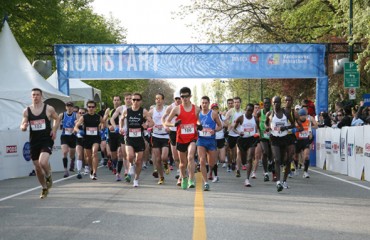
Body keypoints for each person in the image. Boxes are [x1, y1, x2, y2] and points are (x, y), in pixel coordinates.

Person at [20, 88, 60, 199]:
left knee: (43, 162)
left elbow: (57, 118)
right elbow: (22, 124)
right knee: (37, 167)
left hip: (46, 139)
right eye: (33, 95)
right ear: (31, 96)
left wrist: (54, 129)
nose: (35, 97)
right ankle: (44, 188)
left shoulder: (48, 108)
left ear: (41, 96)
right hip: (34, 141)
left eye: (37, 95)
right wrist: (23, 127)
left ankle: (48, 176)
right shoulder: (27, 110)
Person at [165, 87, 201, 190]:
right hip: (181, 138)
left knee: (190, 157)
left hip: (192, 137)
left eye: (186, 96)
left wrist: (199, 125)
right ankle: (183, 177)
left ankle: (191, 179)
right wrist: (173, 124)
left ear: (190, 96)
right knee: (182, 163)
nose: (184, 98)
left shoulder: (196, 108)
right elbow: (167, 122)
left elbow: (198, 120)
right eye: (182, 97)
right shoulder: (176, 109)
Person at [121, 93, 153, 187]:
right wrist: (121, 127)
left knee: (139, 161)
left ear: (141, 101)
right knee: (130, 156)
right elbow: (121, 119)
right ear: (131, 100)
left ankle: (136, 179)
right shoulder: (126, 111)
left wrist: (146, 126)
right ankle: (131, 165)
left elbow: (152, 123)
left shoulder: (144, 111)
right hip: (129, 137)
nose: (135, 101)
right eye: (134, 99)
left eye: (137, 100)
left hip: (139, 138)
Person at [265, 96, 297, 192]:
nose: (276, 104)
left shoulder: (285, 113)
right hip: (274, 138)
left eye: (278, 102)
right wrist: (268, 127)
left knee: (285, 160)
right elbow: (266, 124)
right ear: (272, 103)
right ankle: (278, 182)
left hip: (284, 138)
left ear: (280, 103)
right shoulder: (270, 114)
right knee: (277, 159)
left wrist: (285, 128)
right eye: (274, 102)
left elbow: (293, 124)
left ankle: (284, 180)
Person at [73, 100, 105, 180]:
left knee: (94, 153)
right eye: (89, 107)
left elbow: (104, 123)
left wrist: (102, 130)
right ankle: (91, 169)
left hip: (95, 138)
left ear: (95, 108)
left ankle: (94, 172)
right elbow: (75, 127)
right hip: (86, 138)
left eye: (92, 107)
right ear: (87, 108)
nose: (91, 108)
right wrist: (79, 131)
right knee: (88, 157)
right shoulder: (84, 117)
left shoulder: (98, 117)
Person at [197, 96, 222, 191]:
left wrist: (214, 130)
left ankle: (209, 168)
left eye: (206, 103)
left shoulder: (214, 114)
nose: (204, 104)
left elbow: (220, 126)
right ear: (200, 103)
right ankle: (206, 182)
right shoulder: (197, 114)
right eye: (202, 102)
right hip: (201, 140)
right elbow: (195, 125)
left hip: (211, 141)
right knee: (202, 160)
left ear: (208, 103)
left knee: (212, 163)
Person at [234, 103, 260, 187]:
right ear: (245, 109)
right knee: (244, 159)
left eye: (251, 111)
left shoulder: (255, 119)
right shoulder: (241, 118)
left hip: (252, 140)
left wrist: (257, 133)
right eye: (248, 110)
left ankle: (247, 179)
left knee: (249, 158)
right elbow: (234, 128)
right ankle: (242, 164)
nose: (249, 112)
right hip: (242, 140)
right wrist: (239, 132)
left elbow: (258, 129)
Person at [161, 91, 182, 185]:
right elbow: (163, 118)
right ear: (174, 99)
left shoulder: (187, 106)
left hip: (183, 132)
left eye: (179, 98)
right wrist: (165, 126)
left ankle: (182, 174)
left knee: (183, 155)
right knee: (175, 156)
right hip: (173, 132)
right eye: (176, 99)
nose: (178, 100)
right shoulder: (170, 107)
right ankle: (179, 170)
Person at [110, 93, 132, 181]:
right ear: (124, 100)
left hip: (133, 134)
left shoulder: (135, 108)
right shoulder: (121, 108)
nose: (129, 100)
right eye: (127, 98)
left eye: (130, 98)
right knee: (123, 154)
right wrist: (116, 127)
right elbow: (111, 118)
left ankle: (127, 170)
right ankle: (126, 171)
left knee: (130, 155)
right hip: (123, 133)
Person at [149, 93, 170, 185]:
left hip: (165, 136)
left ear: (163, 100)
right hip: (155, 136)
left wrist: (169, 126)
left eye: (160, 99)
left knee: (164, 157)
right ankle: (161, 177)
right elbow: (146, 119)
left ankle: (165, 163)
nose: (158, 100)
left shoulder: (167, 110)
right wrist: (147, 125)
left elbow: (172, 119)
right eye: (156, 99)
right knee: (157, 159)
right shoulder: (152, 111)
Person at [105, 96, 124, 181]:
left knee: (120, 153)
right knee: (113, 154)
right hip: (112, 134)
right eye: (115, 100)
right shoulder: (109, 111)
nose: (116, 102)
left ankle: (118, 172)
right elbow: (104, 121)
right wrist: (109, 126)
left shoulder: (123, 109)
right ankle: (113, 164)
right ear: (113, 101)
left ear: (120, 101)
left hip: (121, 134)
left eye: (118, 100)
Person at [295, 108, 318, 178]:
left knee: (306, 156)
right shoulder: (296, 122)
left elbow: (310, 130)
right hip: (297, 140)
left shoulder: (308, 122)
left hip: (305, 140)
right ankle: (296, 168)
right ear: (299, 116)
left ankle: (305, 172)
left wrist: (310, 134)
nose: (303, 117)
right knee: (295, 157)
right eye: (301, 115)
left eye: (304, 115)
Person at [224, 97, 244, 176]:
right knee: (229, 150)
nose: (236, 104)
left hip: (239, 134)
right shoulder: (230, 112)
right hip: (231, 134)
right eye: (235, 102)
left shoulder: (243, 112)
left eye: (238, 102)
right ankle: (229, 163)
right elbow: (224, 122)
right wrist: (229, 124)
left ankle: (236, 166)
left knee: (237, 150)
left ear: (240, 103)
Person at [58, 101, 77, 178]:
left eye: (71, 106)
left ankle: (72, 160)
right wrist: (55, 128)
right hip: (64, 135)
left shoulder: (76, 115)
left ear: (73, 107)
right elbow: (56, 122)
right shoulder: (62, 115)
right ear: (66, 107)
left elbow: (79, 123)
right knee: (65, 152)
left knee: (72, 154)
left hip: (73, 136)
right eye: (68, 106)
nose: (69, 108)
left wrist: (76, 125)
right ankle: (65, 170)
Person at [256, 97, 272, 182]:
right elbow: (256, 122)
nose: (266, 105)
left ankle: (270, 163)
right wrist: (258, 131)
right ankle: (266, 173)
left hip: (272, 136)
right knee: (265, 152)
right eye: (265, 103)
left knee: (271, 153)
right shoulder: (259, 112)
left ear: (270, 104)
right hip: (263, 136)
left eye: (268, 103)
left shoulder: (273, 113)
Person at [212, 103, 226, 183]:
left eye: (216, 108)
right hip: (214, 139)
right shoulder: (211, 117)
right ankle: (215, 175)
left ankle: (212, 172)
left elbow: (227, 123)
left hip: (221, 139)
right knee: (215, 160)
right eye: (213, 108)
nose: (215, 110)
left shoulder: (221, 116)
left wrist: (225, 124)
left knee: (222, 159)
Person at [75, 107, 87, 179]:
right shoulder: (76, 121)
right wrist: (78, 131)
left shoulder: (88, 121)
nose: (81, 114)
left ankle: (86, 167)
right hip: (78, 139)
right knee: (79, 154)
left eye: (83, 113)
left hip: (86, 139)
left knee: (86, 156)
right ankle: (79, 171)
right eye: (80, 113)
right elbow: (74, 129)